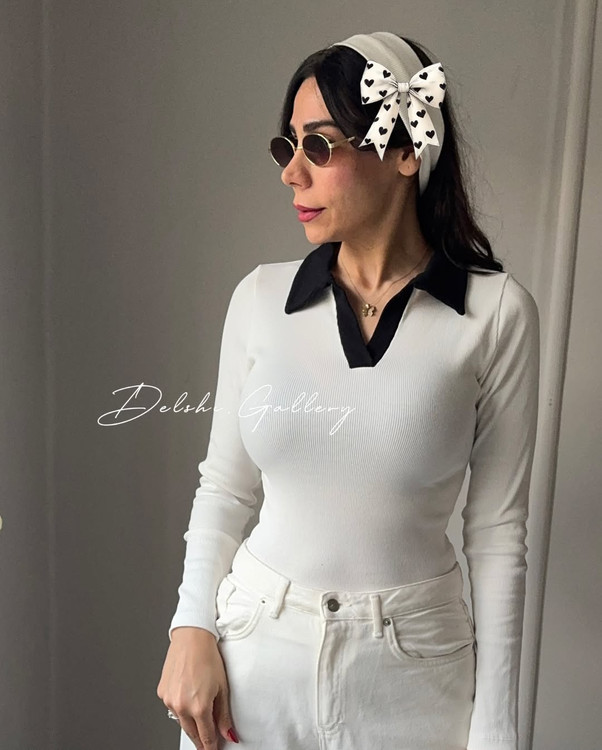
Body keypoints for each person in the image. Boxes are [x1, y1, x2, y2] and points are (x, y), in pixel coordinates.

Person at [156, 31, 540, 750]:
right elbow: (225, 488)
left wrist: (497, 728)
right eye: (288, 146)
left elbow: (496, 533)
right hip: (252, 663)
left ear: (404, 152)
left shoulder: (496, 314)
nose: (291, 173)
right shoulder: (260, 299)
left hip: (413, 677)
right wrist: (190, 626)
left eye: (319, 147)